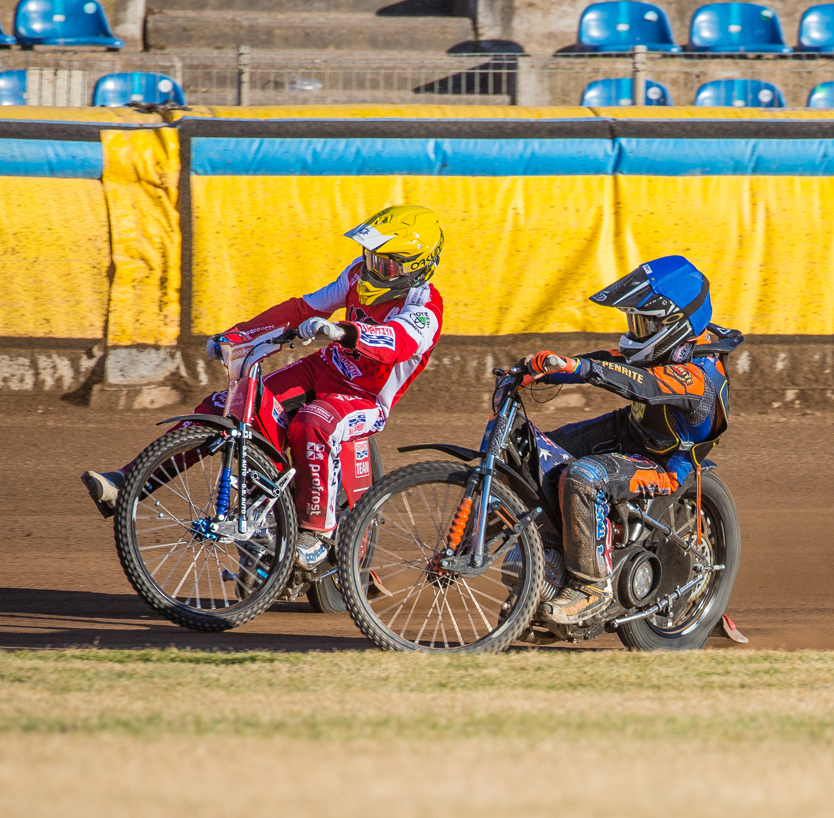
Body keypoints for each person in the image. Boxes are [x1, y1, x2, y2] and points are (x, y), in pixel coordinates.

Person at [82, 204, 445, 570]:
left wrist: (343, 331)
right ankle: (130, 484)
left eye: (385, 265)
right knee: (229, 403)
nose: (371, 268)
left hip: (364, 396)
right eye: (369, 257)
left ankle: (316, 534)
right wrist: (238, 335)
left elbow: (396, 342)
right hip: (321, 369)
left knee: (313, 423)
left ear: (416, 267)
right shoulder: (354, 275)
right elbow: (302, 309)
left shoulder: (425, 307)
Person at [521, 255, 744, 625]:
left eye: (645, 323)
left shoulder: (697, 375)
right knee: (537, 453)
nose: (635, 331)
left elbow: (642, 383)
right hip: (632, 429)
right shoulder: (671, 347)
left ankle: (591, 588)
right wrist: (553, 369)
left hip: (664, 464)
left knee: (583, 477)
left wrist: (582, 369)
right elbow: (615, 360)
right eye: (634, 322)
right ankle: (545, 565)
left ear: (676, 324)